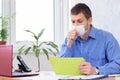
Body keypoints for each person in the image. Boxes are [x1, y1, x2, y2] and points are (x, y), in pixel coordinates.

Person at [60, 3, 120, 75]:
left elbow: (117, 64)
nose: (76, 25)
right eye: (73, 22)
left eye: (80, 21)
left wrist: (96, 70)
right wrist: (69, 44)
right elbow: (62, 67)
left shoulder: (107, 38)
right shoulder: (69, 40)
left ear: (89, 20)